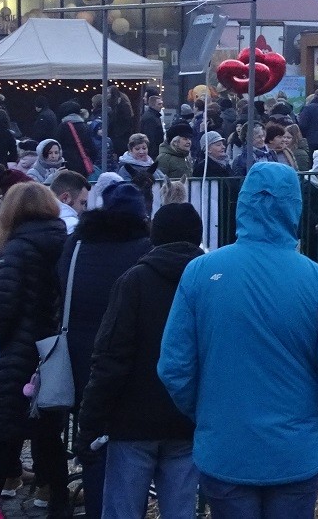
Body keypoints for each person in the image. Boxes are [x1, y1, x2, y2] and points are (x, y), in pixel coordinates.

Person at [159, 163, 318, 519]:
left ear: (243, 204)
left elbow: (174, 367)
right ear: (294, 208)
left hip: (225, 445)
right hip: (294, 448)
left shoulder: (200, 272)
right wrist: (316, 414)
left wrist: (206, 411)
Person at [76, 203, 204, 519]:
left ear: (154, 236)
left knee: (122, 511)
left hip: (132, 422)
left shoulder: (134, 281)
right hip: (188, 420)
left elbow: (110, 358)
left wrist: (90, 423)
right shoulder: (209, 283)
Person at [59, 181, 152, 519]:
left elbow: (62, 287)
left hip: (79, 358)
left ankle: (97, 507)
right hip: (131, 361)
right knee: (128, 447)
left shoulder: (77, 244)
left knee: (93, 440)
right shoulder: (145, 249)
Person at [0, 182, 70, 517]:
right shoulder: (65, 243)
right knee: (48, 434)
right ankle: (59, 502)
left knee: (1, 435)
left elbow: (3, 307)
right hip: (52, 352)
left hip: (15, 353)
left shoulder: (16, 250)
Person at [57, 100, 96, 178]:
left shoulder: (63, 126)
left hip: (68, 163)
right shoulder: (85, 126)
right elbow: (92, 147)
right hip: (83, 163)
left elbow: (58, 144)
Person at [50, 170, 90, 234]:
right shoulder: (74, 226)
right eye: (82, 203)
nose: (84, 209)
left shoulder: (37, 220)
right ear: (65, 198)